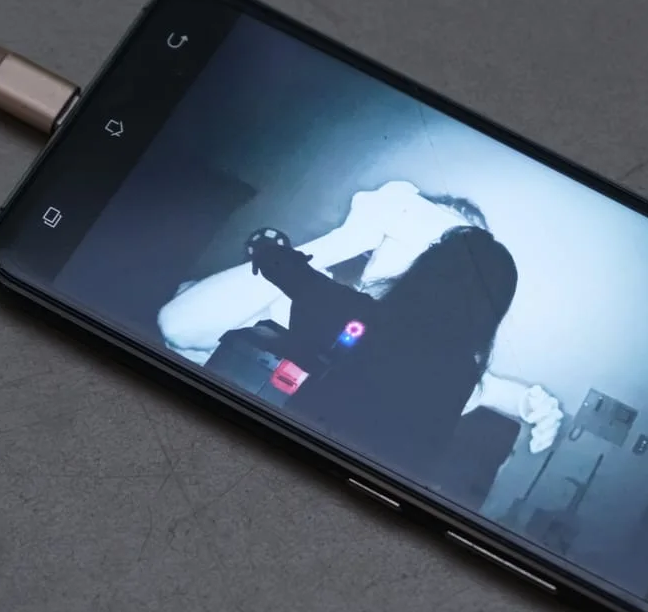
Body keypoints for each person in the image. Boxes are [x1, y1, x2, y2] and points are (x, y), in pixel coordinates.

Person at [157, 181, 565, 469]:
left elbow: (477, 386)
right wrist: (348, 237)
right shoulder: (300, 300)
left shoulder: (410, 362)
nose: (427, 264)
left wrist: (525, 401)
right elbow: (178, 326)